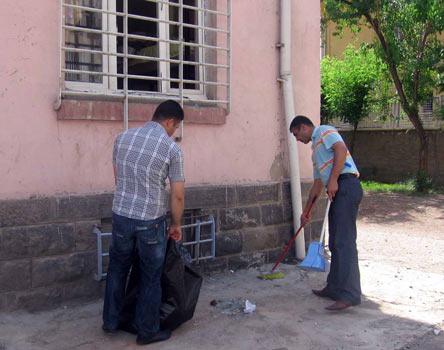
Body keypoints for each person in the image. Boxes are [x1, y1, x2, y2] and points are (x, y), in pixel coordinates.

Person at [102, 100, 185, 345]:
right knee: (151, 276)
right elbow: (177, 194)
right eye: (176, 126)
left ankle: (110, 321)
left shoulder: (122, 138)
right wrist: (176, 224)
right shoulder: (172, 149)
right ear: (170, 121)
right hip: (150, 220)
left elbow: (118, 178)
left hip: (121, 215)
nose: (174, 132)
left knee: (117, 268)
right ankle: (147, 331)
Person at [289, 115, 363, 311]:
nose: (297, 139)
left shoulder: (323, 131)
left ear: (304, 127)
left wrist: (334, 180)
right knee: (335, 242)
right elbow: (317, 185)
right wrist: (306, 212)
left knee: (344, 242)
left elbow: (341, 149)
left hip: (346, 185)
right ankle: (334, 288)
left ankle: (350, 294)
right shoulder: (315, 152)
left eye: (297, 134)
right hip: (338, 189)